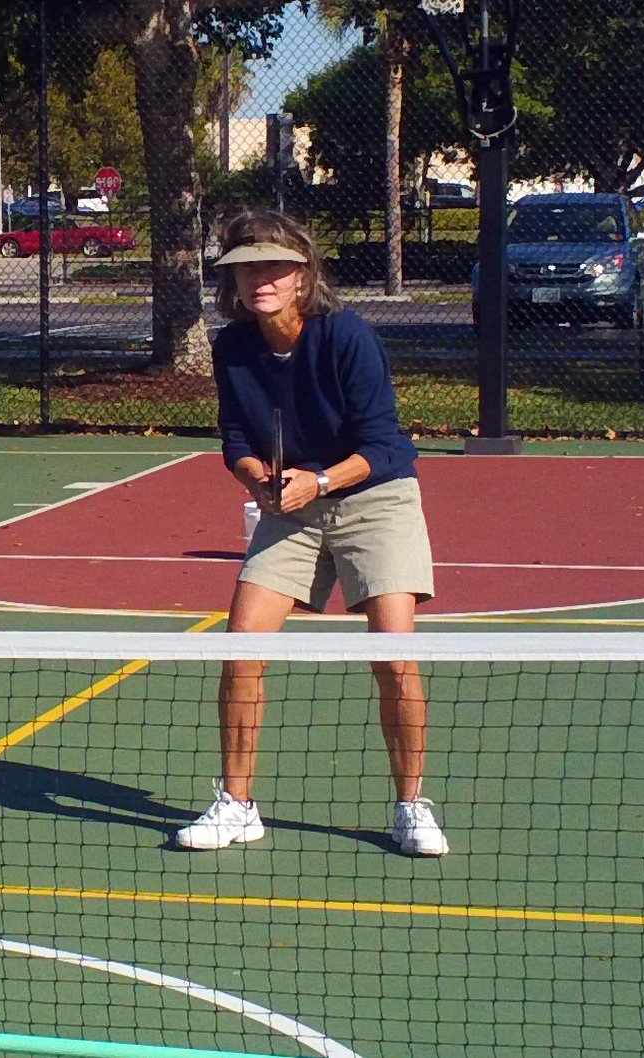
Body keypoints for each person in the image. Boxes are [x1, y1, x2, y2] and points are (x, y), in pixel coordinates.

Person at [175, 208, 447, 857]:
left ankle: (411, 805)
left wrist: (318, 482)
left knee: (394, 654)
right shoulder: (233, 347)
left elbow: (382, 444)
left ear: (302, 274)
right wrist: (258, 480)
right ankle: (237, 804)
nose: (259, 278)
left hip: (373, 496)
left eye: (273, 265)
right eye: (245, 268)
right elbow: (236, 438)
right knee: (239, 650)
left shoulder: (347, 337)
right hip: (290, 503)